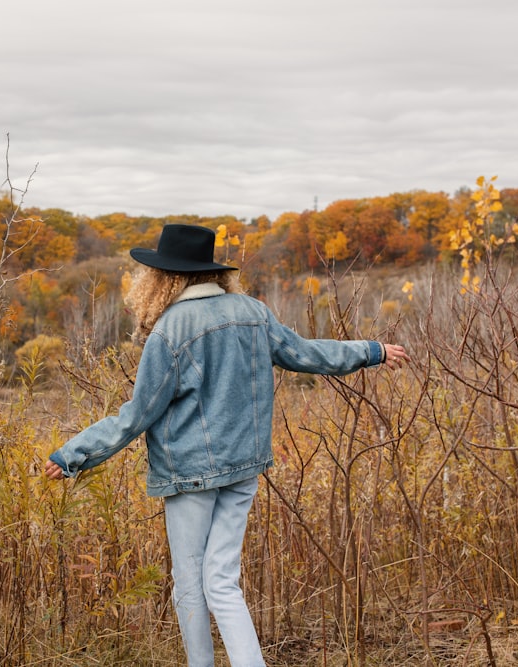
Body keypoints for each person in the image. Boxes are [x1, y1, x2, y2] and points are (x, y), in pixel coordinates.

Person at [44, 224, 408, 667]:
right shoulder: (252, 311)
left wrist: (72, 455)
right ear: (210, 273)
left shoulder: (170, 330)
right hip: (243, 469)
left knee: (190, 585)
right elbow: (308, 354)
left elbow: (137, 415)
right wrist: (371, 350)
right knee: (222, 581)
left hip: (190, 475)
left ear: (165, 278)